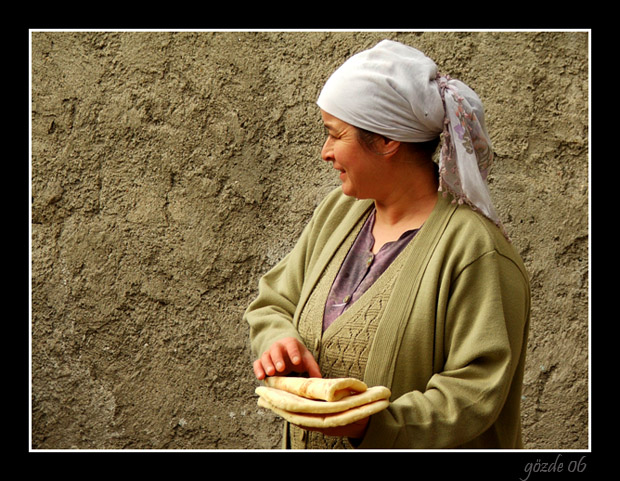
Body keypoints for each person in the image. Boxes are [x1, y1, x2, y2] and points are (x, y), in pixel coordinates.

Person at [244, 39, 530, 449]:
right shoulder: (337, 215)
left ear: (387, 141)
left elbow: (476, 393)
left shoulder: (474, 251)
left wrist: (372, 424)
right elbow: (274, 301)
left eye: (335, 135)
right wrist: (277, 342)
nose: (325, 153)